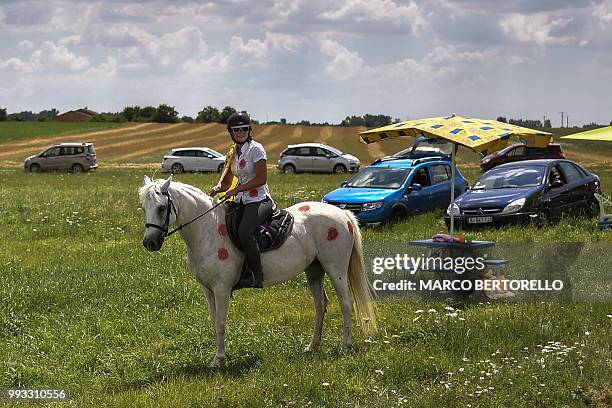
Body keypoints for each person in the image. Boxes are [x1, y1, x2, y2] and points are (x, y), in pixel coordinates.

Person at [210, 111, 273, 288]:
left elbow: (262, 179)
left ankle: (256, 275)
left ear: (249, 130)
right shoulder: (233, 152)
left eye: (245, 129)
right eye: (237, 129)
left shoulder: (256, 149)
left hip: (260, 199)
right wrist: (217, 189)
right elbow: (227, 182)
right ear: (230, 132)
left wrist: (236, 190)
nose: (241, 132)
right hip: (241, 200)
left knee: (244, 232)